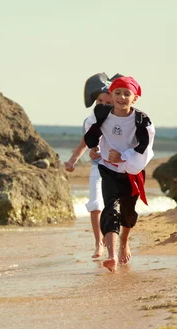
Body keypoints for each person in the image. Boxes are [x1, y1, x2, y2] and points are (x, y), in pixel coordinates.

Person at [83, 76, 155, 272]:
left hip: (132, 171)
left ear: (135, 98)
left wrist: (123, 157)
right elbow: (91, 132)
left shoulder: (142, 120)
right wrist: (94, 147)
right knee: (110, 209)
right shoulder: (101, 113)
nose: (122, 97)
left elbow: (144, 149)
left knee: (128, 213)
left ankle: (124, 240)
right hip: (107, 169)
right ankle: (112, 255)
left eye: (127, 93)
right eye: (117, 93)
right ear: (111, 96)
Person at [64, 73, 113, 259]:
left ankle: (115, 245)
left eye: (107, 102)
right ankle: (98, 243)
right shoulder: (90, 120)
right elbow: (84, 144)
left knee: (113, 207)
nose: (102, 105)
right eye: (99, 101)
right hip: (98, 167)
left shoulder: (120, 119)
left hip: (117, 168)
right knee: (95, 205)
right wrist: (72, 161)